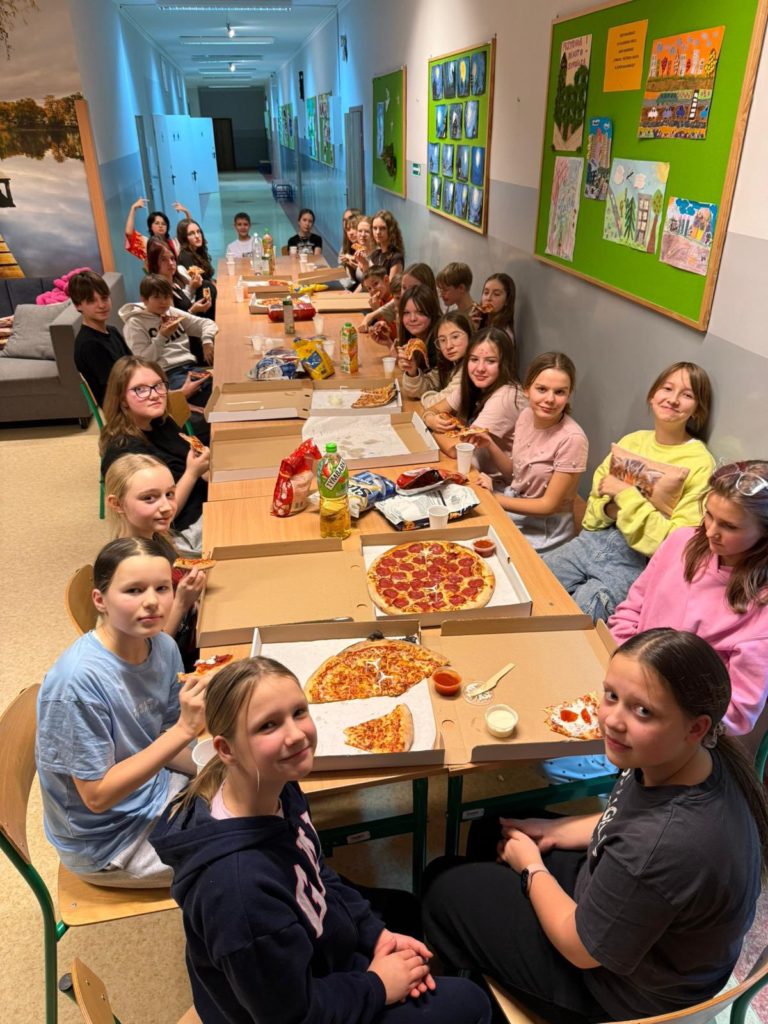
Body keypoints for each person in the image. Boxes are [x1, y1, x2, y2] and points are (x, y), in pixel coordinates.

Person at [422, 628, 768, 1024]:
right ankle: (481, 955)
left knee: (441, 885)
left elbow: (581, 948)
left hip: (620, 995)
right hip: (634, 929)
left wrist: (531, 868)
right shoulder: (690, 759)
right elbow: (622, 817)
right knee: (490, 831)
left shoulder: (663, 845)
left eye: (643, 711)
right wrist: (553, 831)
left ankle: (474, 996)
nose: (612, 721)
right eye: (612, 696)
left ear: (696, 728)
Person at [149, 656, 492, 1024]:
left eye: (298, 712)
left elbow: (314, 871)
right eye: (268, 725)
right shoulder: (239, 895)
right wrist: (377, 985)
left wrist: (374, 934)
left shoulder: (275, 784)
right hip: (292, 1007)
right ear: (226, 749)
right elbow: (292, 1016)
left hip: (314, 954)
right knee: (473, 1004)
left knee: (404, 910)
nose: (296, 735)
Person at [35, 537, 213, 887]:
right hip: (110, 842)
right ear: (99, 600)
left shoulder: (162, 646)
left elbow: (162, 735)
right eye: (133, 590)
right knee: (250, 851)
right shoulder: (77, 684)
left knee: (264, 795)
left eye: (162, 588)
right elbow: (97, 796)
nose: (152, 602)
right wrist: (185, 730)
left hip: (155, 789)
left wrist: (216, 769)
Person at [544, 362, 714, 622]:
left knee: (575, 619)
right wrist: (611, 508)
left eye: (687, 395)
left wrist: (624, 494)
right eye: (667, 388)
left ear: (697, 409)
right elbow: (593, 513)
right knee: (531, 581)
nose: (673, 399)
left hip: (635, 563)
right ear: (652, 395)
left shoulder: (699, 462)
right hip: (591, 541)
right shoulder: (632, 442)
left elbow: (673, 543)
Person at [610, 461, 768, 737]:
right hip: (625, 681)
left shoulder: (761, 608)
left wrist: (653, 703)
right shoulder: (681, 542)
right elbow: (631, 610)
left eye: (729, 526)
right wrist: (622, 670)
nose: (710, 531)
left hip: (678, 728)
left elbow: (737, 712)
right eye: (709, 515)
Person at [473, 352, 588, 550]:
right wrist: (490, 444)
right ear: (527, 389)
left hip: (544, 533)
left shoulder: (573, 439)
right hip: (513, 509)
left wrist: (494, 498)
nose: (550, 399)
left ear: (568, 395)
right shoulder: (526, 415)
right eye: (542, 389)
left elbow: (548, 506)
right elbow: (516, 475)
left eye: (559, 392)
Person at [105, 453, 206, 669]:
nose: (166, 507)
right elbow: (149, 651)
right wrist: (182, 602)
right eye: (149, 498)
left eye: (169, 494)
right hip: (176, 665)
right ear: (117, 504)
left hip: (194, 632)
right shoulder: (130, 568)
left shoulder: (157, 537)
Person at [100, 356, 209, 556]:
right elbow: (161, 514)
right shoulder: (126, 452)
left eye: (158, 385)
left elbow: (188, 462)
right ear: (122, 399)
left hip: (205, 505)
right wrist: (193, 473)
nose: (154, 395)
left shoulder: (160, 422)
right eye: (140, 389)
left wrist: (203, 468)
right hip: (182, 532)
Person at [423, 327, 525, 468]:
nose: (480, 368)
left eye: (490, 361)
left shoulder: (506, 396)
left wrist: (431, 430)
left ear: (504, 364)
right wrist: (431, 419)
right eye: (474, 359)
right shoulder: (471, 385)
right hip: (476, 469)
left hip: (497, 479)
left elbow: (458, 450)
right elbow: (433, 409)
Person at [119, 274, 217, 398]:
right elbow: (144, 361)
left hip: (190, 367)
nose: (163, 302)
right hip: (165, 375)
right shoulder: (134, 324)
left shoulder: (171, 312)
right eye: (157, 297)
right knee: (210, 395)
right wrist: (162, 336)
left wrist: (207, 341)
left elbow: (207, 323)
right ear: (144, 299)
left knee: (219, 384)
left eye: (166, 297)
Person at [71, 270, 130, 406]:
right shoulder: (89, 345)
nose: (102, 305)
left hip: (134, 394)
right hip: (120, 407)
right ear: (78, 305)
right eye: (91, 301)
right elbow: (116, 389)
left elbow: (133, 364)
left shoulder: (112, 331)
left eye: (104, 298)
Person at [400, 311, 470, 404]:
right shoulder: (449, 363)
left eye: (455, 337)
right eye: (442, 340)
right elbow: (424, 387)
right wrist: (412, 372)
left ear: (470, 336)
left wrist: (427, 397)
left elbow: (441, 403)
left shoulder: (470, 368)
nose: (448, 346)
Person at [146, 238, 215, 322]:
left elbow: (183, 305)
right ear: (154, 264)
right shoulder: (160, 291)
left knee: (207, 285)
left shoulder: (174, 285)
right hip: (187, 328)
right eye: (163, 259)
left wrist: (193, 291)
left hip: (193, 322)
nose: (171, 263)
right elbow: (171, 324)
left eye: (172, 258)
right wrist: (193, 310)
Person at [124, 197, 189, 263]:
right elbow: (129, 233)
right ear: (150, 227)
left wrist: (186, 212)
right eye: (157, 223)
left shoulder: (175, 243)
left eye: (163, 224)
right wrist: (133, 208)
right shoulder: (147, 244)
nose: (160, 226)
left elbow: (189, 231)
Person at [394, 284, 442, 368]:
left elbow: (435, 376)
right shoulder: (410, 339)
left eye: (420, 312)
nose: (412, 319)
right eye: (406, 313)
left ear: (432, 312)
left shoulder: (439, 343)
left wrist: (413, 372)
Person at [469, 273, 517, 351]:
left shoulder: (504, 335)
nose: (488, 298)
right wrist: (471, 329)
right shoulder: (481, 321)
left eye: (496, 294)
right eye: (486, 292)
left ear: (507, 301)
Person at [360, 210, 405, 281]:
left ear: (391, 230)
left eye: (382, 228)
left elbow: (391, 285)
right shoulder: (375, 254)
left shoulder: (396, 257)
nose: (378, 232)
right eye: (375, 228)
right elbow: (367, 283)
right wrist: (364, 264)